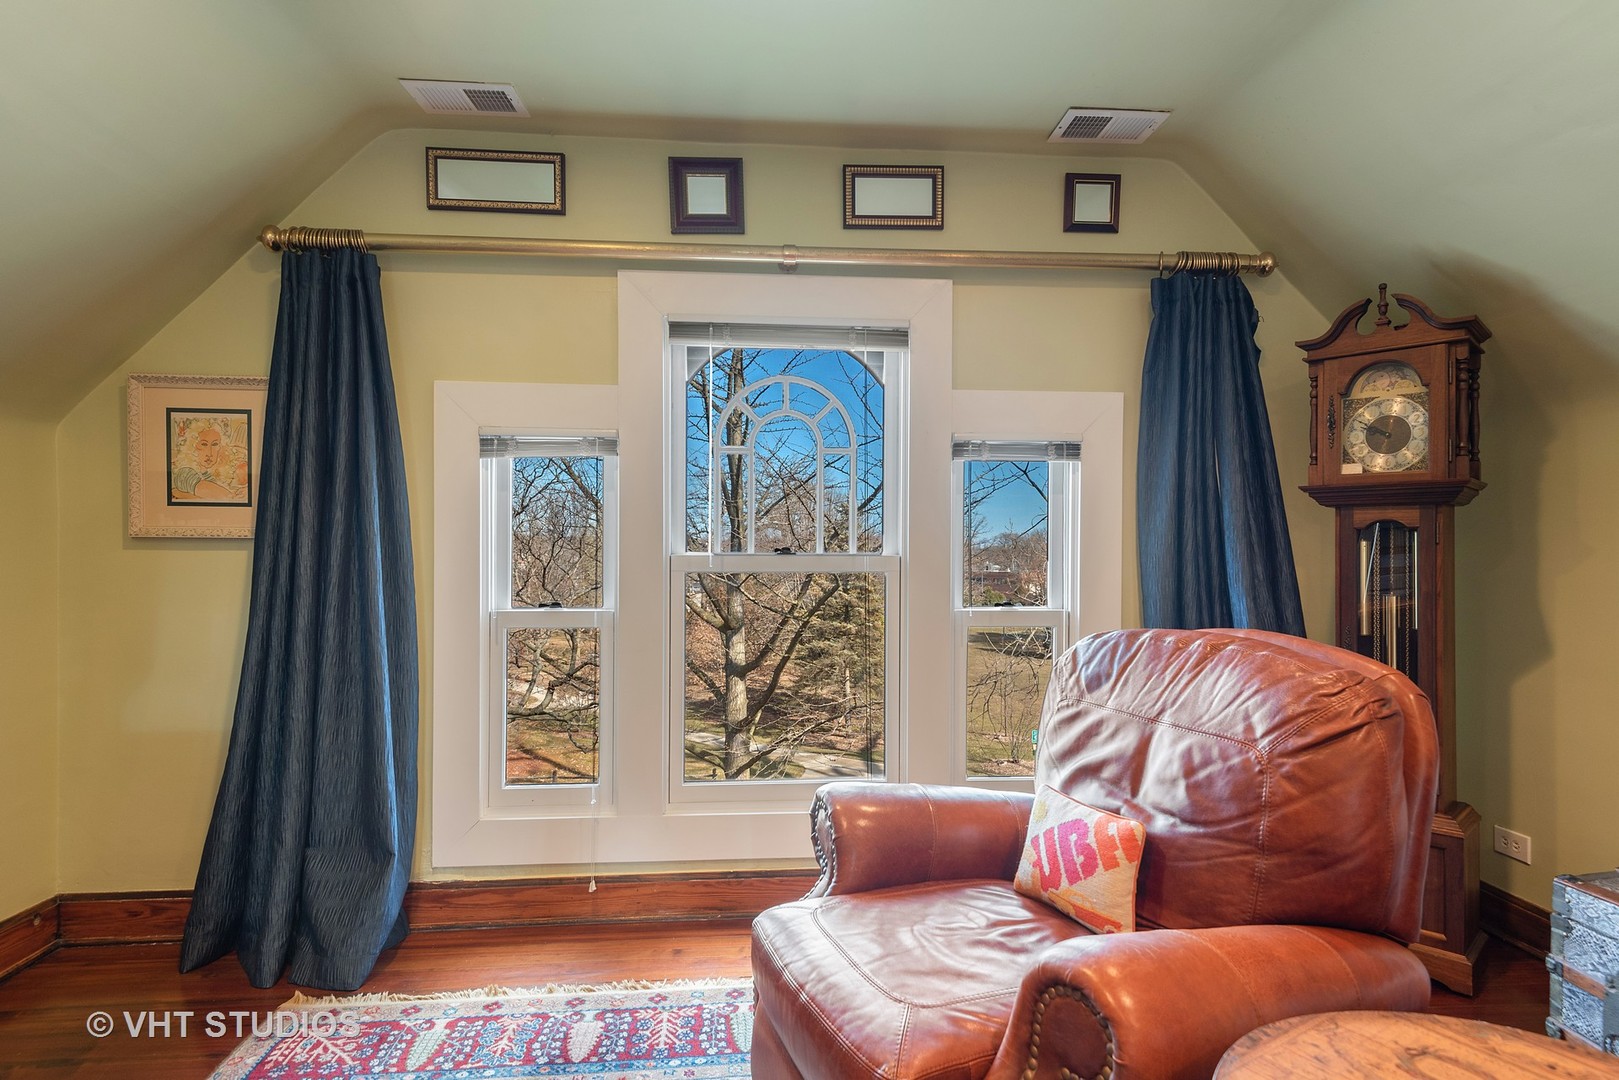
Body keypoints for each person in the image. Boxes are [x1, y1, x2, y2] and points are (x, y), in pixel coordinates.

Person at [170, 419, 249, 502]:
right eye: (204, 444)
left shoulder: (208, 475)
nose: (210, 453)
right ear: (192, 445)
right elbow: (202, 488)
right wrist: (233, 496)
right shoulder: (184, 471)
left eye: (215, 444)